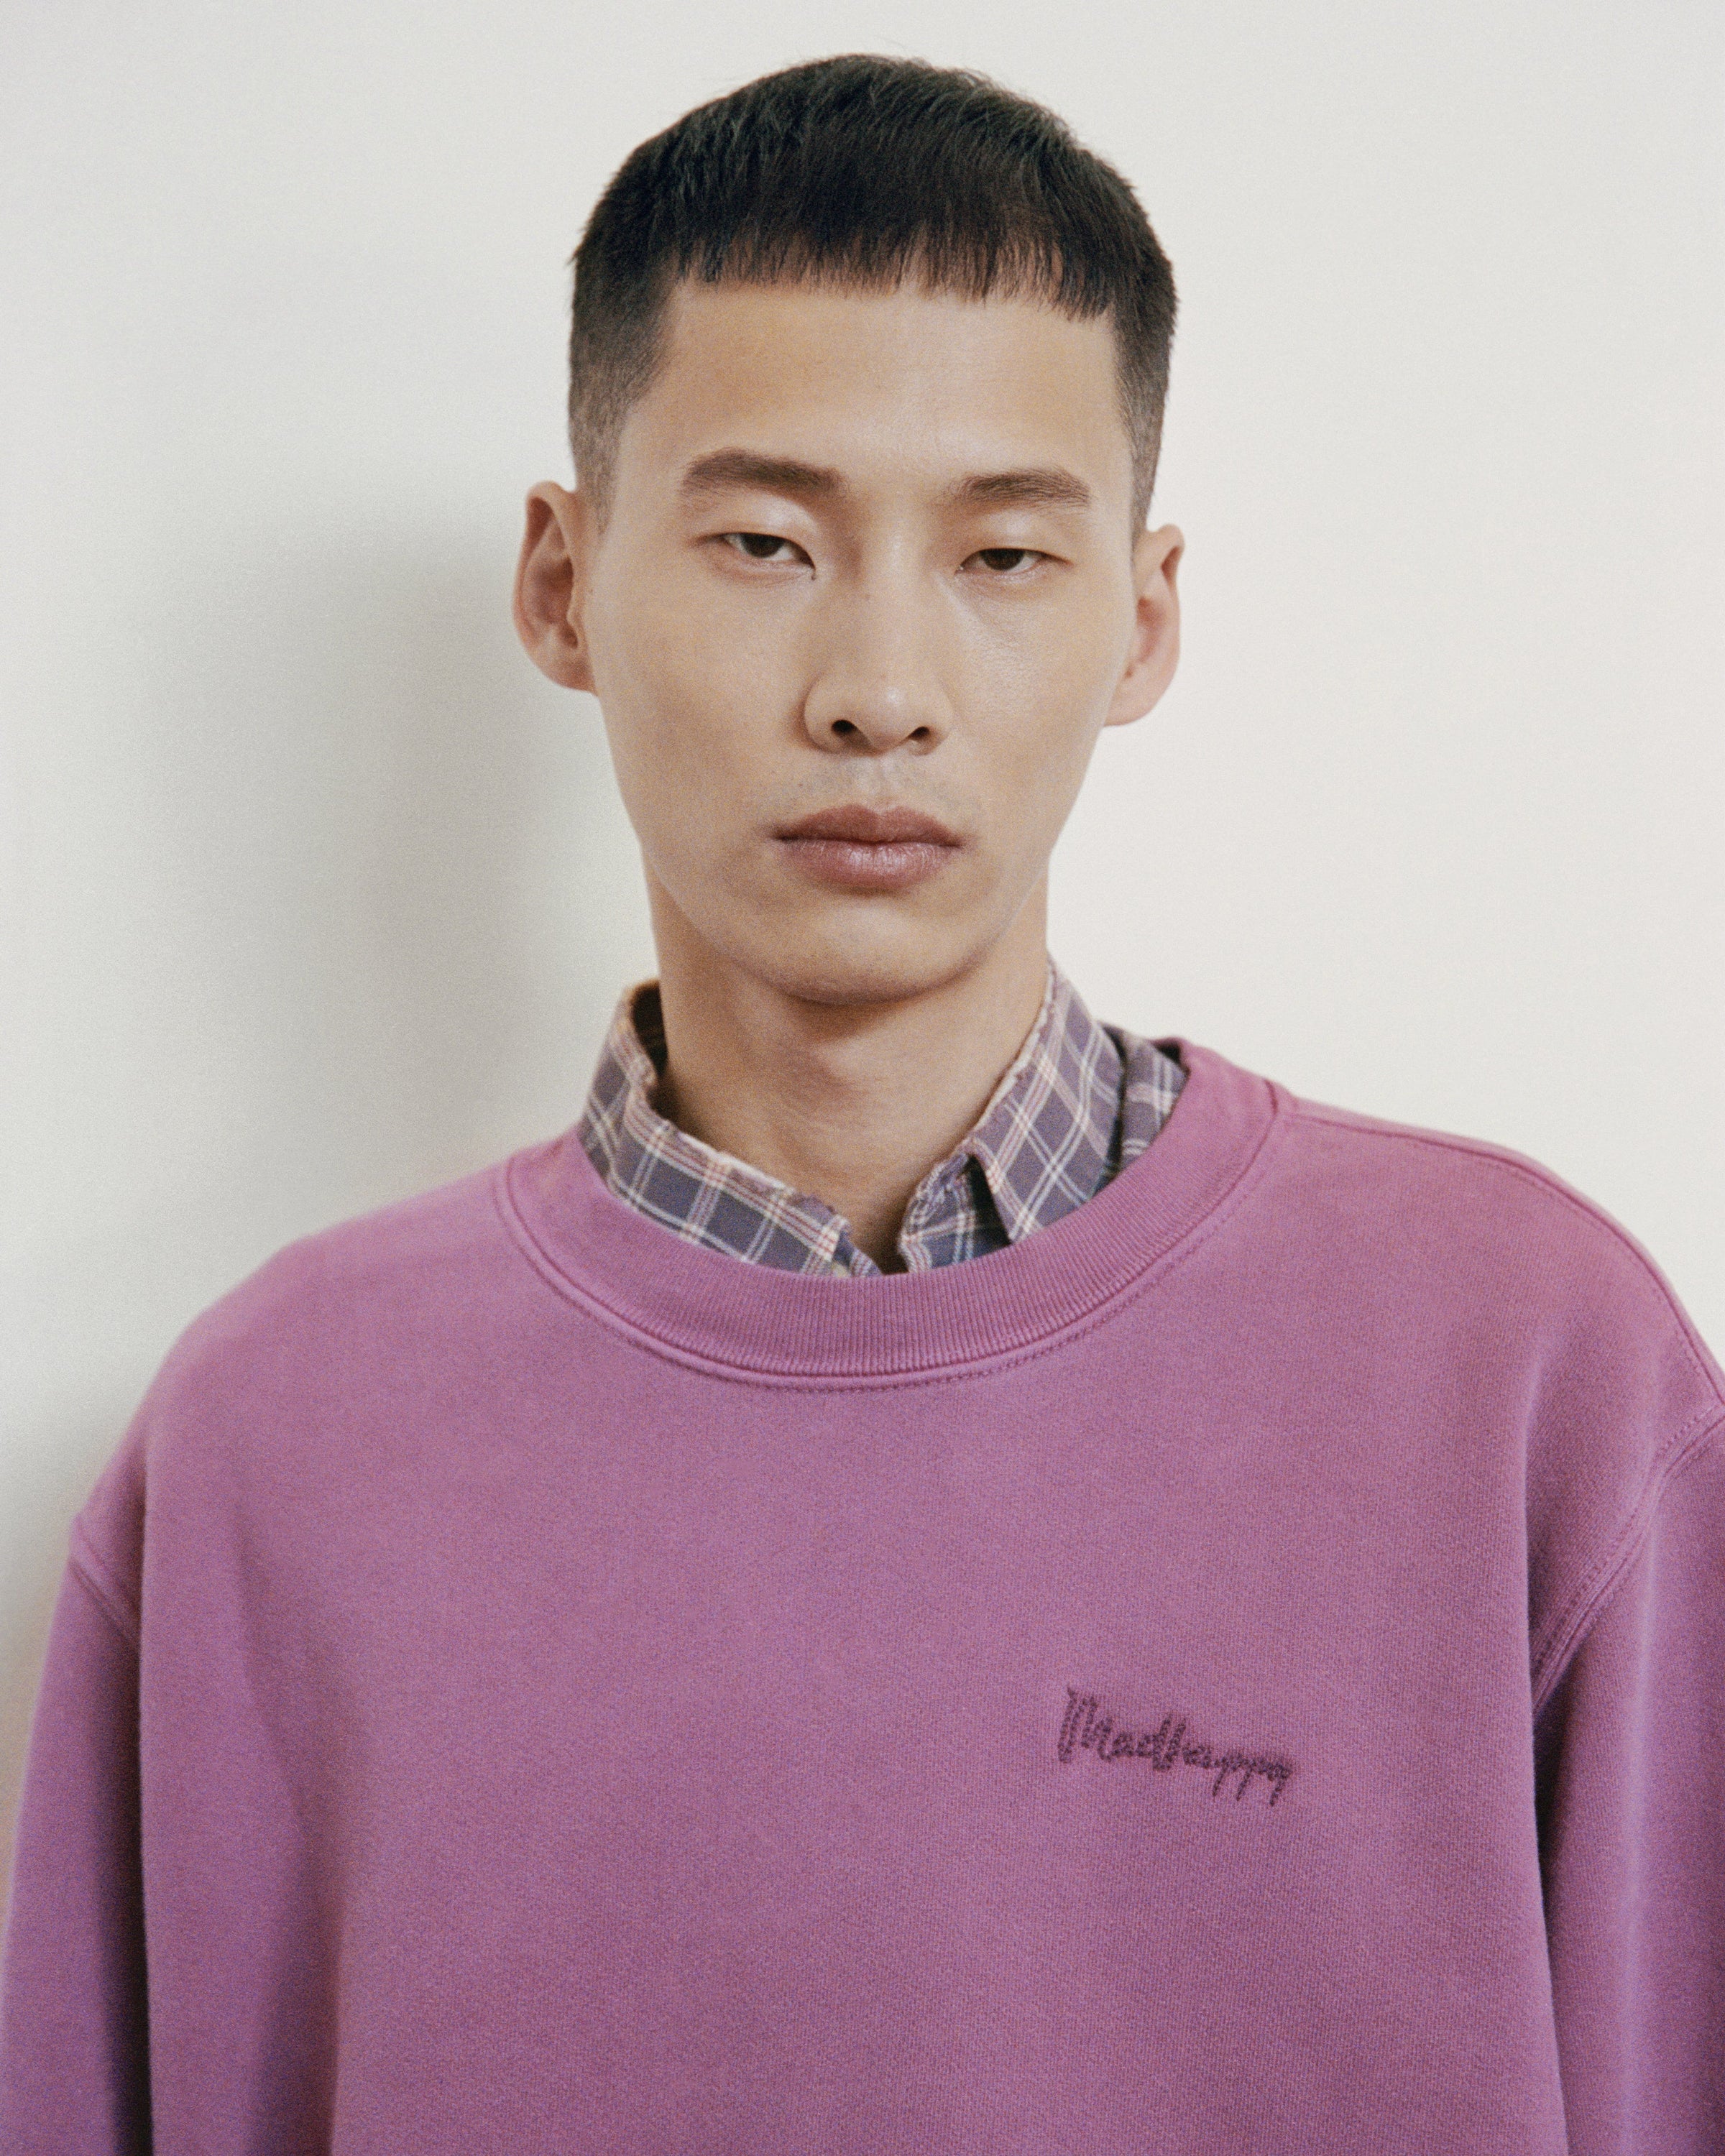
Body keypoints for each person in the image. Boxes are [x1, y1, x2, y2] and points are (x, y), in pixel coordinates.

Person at [1, 51, 1719, 2155]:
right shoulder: (266, 1447)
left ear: (1143, 620)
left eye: (1003, 556)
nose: (879, 690)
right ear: (560, 582)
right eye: (763, 540)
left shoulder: (1528, 1370)